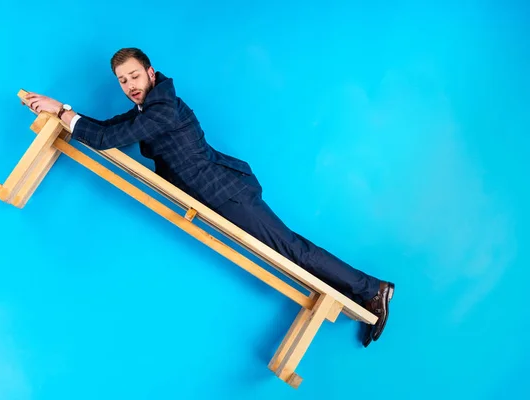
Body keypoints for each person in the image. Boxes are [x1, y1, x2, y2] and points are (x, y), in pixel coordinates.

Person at [24, 47, 394, 346]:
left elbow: (104, 140)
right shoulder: (148, 108)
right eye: (122, 81)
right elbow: (106, 129)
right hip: (220, 196)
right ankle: (365, 291)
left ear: (151, 73)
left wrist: (61, 111)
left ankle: (374, 289)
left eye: (134, 76)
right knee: (288, 253)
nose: (129, 85)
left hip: (228, 194)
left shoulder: (163, 108)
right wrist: (64, 111)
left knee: (290, 250)